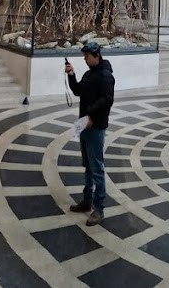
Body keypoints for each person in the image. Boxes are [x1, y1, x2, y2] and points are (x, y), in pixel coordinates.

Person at [65, 41, 115, 226]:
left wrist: (92, 115)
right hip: (84, 125)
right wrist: (71, 75)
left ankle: (99, 208)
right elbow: (78, 91)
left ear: (96, 55)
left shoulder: (105, 76)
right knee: (88, 165)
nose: (84, 59)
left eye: (87, 56)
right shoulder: (89, 73)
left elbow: (107, 100)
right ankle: (87, 201)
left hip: (95, 126)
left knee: (96, 168)